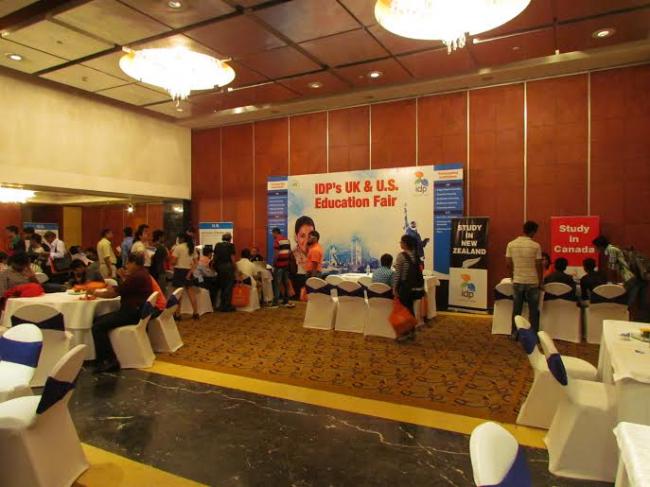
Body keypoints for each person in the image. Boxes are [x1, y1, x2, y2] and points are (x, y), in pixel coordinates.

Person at [91, 253, 153, 373]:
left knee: (97, 326)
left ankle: (109, 360)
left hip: (131, 313)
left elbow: (114, 293)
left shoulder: (136, 276)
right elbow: (125, 288)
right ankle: (103, 358)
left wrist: (95, 293)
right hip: (137, 312)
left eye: (128, 263)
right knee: (99, 320)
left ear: (134, 263)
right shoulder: (143, 273)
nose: (126, 266)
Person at [593, 235, 648, 321]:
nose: (596, 249)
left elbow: (612, 268)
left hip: (632, 279)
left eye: (596, 247)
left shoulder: (612, 251)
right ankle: (640, 322)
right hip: (639, 278)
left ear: (600, 246)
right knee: (640, 304)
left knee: (629, 304)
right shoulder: (616, 249)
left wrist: (612, 282)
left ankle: (631, 322)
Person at [506, 221, 543, 338]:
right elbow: (539, 265)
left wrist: (512, 276)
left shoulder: (511, 244)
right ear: (533, 232)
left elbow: (508, 263)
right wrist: (540, 281)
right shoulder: (536, 246)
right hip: (532, 282)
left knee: (517, 309)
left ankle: (514, 333)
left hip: (517, 280)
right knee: (533, 310)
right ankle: (534, 335)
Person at [392, 234, 424, 341]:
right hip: (415, 288)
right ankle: (411, 331)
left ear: (405, 244)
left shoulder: (401, 256)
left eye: (401, 242)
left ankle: (405, 333)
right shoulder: (415, 255)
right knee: (410, 309)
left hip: (405, 287)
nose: (400, 244)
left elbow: (398, 274)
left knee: (404, 310)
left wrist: (395, 288)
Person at [171, 232, 198, 319]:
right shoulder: (192, 248)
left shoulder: (178, 248)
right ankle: (195, 313)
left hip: (179, 271)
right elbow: (196, 262)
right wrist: (190, 273)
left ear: (182, 239)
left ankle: (178, 314)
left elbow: (173, 262)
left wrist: (171, 260)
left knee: (178, 294)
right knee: (191, 293)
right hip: (188, 271)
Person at [291, 216, 315, 296]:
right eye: (302, 236)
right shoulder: (292, 256)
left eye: (310, 236)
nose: (307, 240)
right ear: (296, 237)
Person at [271, 228, 294, 308]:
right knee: (285, 283)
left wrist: (274, 264)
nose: (272, 235)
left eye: (273, 233)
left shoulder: (277, 241)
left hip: (279, 265)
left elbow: (276, 254)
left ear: (275, 232)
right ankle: (286, 301)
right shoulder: (287, 240)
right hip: (286, 265)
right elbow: (290, 252)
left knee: (277, 284)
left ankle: (275, 302)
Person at [214, 233, 236, 312]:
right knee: (229, 287)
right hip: (228, 267)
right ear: (230, 239)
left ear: (222, 238)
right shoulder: (231, 246)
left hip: (219, 267)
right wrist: (235, 268)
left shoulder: (217, 245)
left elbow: (215, 257)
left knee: (222, 286)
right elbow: (232, 258)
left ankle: (221, 305)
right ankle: (227, 306)